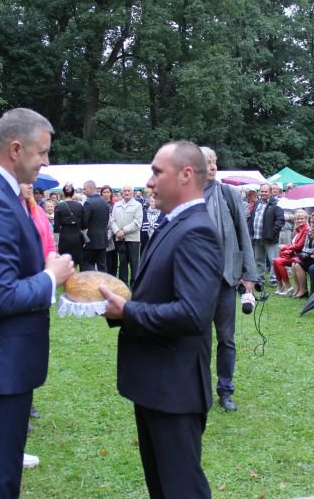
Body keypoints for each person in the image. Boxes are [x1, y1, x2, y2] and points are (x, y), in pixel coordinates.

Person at [0, 108, 75, 498]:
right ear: (16, 149)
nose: (46, 162)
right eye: (42, 152)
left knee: (3, 474)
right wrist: (51, 277)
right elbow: (2, 295)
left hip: (2, 362)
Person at [100, 141, 222, 498]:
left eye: (157, 172)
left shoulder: (197, 231)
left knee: (181, 489)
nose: (149, 182)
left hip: (174, 388)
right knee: (162, 487)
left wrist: (128, 311)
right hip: (157, 383)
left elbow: (194, 314)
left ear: (186, 175)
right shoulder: (174, 222)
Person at [200, 146, 258, 411]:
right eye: (207, 162)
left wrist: (249, 275)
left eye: (215, 161)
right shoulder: (185, 195)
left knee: (226, 338)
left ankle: (225, 390)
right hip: (197, 281)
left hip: (225, 279)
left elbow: (243, 235)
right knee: (198, 339)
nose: (213, 166)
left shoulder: (228, 194)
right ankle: (200, 391)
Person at [249, 183, 284, 286]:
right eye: (262, 191)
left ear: (270, 192)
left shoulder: (276, 204)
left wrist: (272, 233)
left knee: (273, 260)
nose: (263, 193)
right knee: (258, 260)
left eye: (266, 191)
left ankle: (274, 280)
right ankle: (260, 279)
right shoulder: (257, 203)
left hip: (270, 238)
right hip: (257, 236)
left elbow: (280, 221)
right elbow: (253, 218)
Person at [111, 184, 144, 285]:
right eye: (125, 191)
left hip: (133, 239)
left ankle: (135, 287)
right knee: (122, 264)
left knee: (134, 264)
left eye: (129, 190)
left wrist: (123, 231)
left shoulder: (137, 205)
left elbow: (137, 222)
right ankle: (123, 286)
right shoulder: (116, 205)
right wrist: (117, 231)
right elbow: (112, 220)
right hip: (120, 239)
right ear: (122, 192)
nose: (127, 192)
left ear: (132, 192)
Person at [273, 210, 309, 296]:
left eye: (302, 218)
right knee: (275, 260)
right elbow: (294, 244)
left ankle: (288, 286)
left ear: (306, 219)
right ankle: (280, 285)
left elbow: (299, 246)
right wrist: (286, 246)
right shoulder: (298, 229)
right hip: (295, 254)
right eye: (298, 219)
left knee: (278, 261)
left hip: (301, 256)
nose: (299, 220)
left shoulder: (306, 229)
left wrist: (285, 247)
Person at [54, 183, 86, 267]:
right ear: (73, 193)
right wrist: (85, 238)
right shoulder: (79, 206)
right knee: (74, 263)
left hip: (64, 236)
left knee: (64, 262)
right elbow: (84, 225)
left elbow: (56, 227)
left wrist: (55, 242)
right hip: (77, 237)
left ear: (63, 193)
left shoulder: (59, 206)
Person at [21, 182, 56, 258]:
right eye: (25, 181)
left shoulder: (39, 210)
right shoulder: (8, 209)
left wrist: (51, 258)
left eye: (40, 193)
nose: (30, 186)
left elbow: (50, 242)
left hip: (42, 260)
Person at [81, 180, 110, 272]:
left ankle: (91, 281)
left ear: (90, 188)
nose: (83, 191)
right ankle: (104, 280)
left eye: (85, 189)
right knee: (102, 265)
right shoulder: (104, 202)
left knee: (87, 264)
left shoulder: (88, 203)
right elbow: (106, 220)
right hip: (103, 239)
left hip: (91, 240)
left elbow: (85, 222)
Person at [101, 185, 118, 277]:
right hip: (103, 235)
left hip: (114, 234)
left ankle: (113, 276)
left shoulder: (115, 206)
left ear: (111, 193)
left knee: (113, 259)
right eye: (104, 192)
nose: (106, 194)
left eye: (108, 192)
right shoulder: (99, 205)